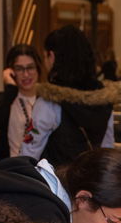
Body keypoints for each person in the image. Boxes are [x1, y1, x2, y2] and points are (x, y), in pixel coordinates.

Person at [22, 24, 116, 168]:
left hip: (57, 186)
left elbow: (28, 155)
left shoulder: (50, 102)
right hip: (91, 184)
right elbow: (108, 151)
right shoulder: (103, 100)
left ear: (51, 56)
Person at [0, 43, 43, 162]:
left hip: (39, 172)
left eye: (30, 67)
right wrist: (10, 89)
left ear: (38, 69)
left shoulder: (47, 99)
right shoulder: (4, 99)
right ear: (11, 71)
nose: (26, 74)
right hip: (10, 170)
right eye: (19, 69)